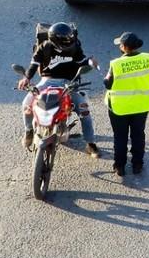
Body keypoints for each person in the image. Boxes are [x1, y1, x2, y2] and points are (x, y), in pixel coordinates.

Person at [18, 21, 99, 157]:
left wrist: (91, 62)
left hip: (68, 82)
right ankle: (29, 131)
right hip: (47, 80)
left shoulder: (74, 46)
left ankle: (90, 143)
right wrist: (26, 78)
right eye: (66, 42)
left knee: (84, 109)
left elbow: (82, 60)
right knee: (27, 104)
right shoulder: (44, 47)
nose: (69, 44)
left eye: (70, 40)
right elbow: (33, 65)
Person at [102, 32, 149, 177]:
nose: (119, 46)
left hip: (120, 108)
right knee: (138, 135)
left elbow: (108, 84)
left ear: (125, 47)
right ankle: (137, 164)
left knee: (120, 137)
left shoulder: (116, 64)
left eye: (120, 44)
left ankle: (119, 166)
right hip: (142, 105)